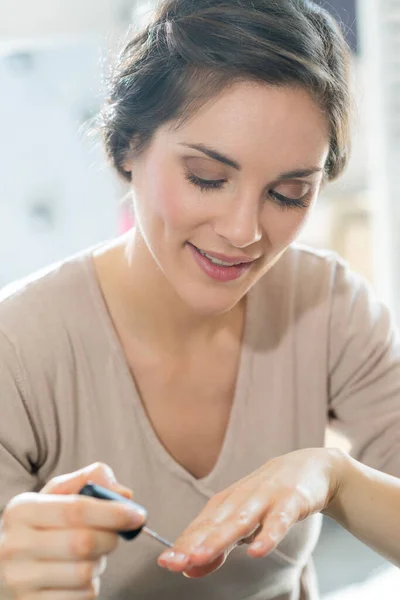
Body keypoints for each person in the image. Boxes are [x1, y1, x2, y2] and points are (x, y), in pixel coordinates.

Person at [0, 0, 399, 598]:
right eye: (207, 178)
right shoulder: (17, 349)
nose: (244, 231)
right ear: (127, 147)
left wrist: (334, 477)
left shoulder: (330, 304)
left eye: (289, 194)